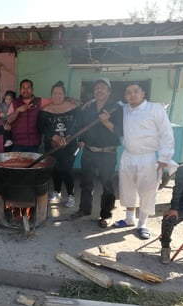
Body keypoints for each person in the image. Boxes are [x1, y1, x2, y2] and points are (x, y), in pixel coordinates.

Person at [114, 82, 175, 239]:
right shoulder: (124, 108)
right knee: (127, 187)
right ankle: (129, 219)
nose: (132, 95)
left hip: (148, 157)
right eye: (128, 92)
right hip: (128, 155)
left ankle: (142, 224)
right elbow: (107, 103)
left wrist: (164, 157)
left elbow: (166, 133)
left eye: (135, 91)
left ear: (143, 93)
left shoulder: (155, 109)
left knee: (147, 190)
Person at [70, 78, 123, 229]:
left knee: (107, 185)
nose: (99, 90)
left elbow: (120, 131)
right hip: (89, 151)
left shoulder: (116, 108)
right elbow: (81, 125)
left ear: (109, 91)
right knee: (86, 182)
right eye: (97, 88)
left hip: (107, 153)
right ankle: (84, 209)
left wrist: (106, 122)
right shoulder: (88, 107)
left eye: (103, 88)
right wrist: (78, 138)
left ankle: (106, 215)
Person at [38, 81, 78, 208]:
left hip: (69, 145)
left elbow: (78, 125)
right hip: (52, 145)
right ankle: (57, 192)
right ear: (51, 95)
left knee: (67, 170)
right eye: (54, 93)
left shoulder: (73, 108)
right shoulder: (45, 110)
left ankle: (71, 195)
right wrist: (54, 137)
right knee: (55, 168)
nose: (57, 95)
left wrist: (68, 137)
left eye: (60, 93)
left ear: (64, 95)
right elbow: (41, 127)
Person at [7, 79, 43, 153]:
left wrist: (68, 99)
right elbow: (9, 120)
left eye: (28, 87)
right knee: (17, 164)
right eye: (23, 87)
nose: (26, 90)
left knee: (33, 164)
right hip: (18, 144)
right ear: (20, 90)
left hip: (34, 144)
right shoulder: (14, 102)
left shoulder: (40, 101)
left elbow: (56, 101)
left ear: (32, 90)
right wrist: (17, 110)